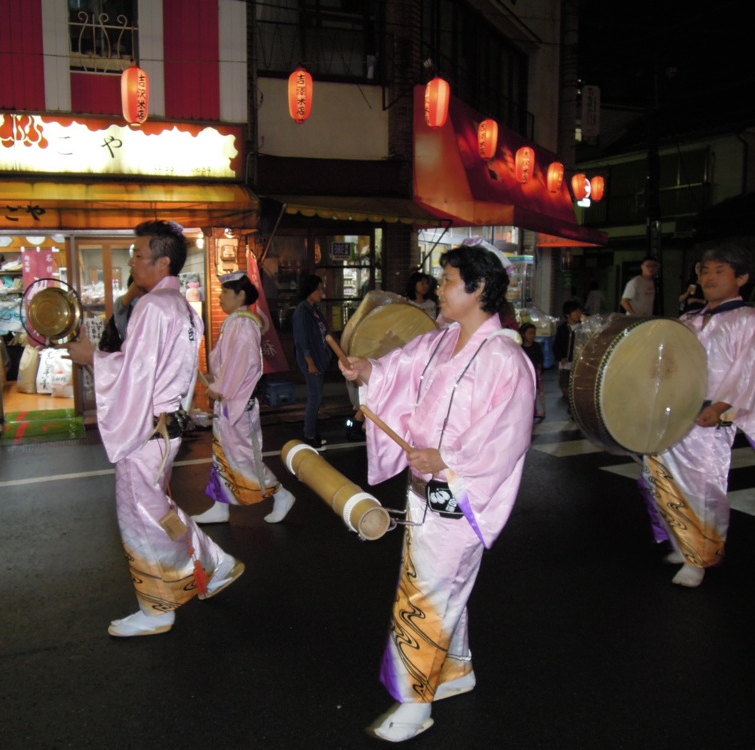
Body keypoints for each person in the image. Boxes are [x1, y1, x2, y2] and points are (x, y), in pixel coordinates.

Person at [338, 240, 535, 743]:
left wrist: (447, 459)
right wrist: (367, 371)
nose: (440, 289)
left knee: (428, 591)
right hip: (426, 487)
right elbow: (397, 371)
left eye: (449, 280)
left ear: (480, 288)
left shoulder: (505, 358)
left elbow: (507, 436)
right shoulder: (440, 340)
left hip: (461, 493)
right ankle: (456, 670)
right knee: (443, 587)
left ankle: (414, 700)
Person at [64, 221, 243, 637]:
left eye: (138, 255)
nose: (132, 261)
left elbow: (135, 372)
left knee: (139, 515)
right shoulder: (183, 308)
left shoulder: (152, 307)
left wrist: (92, 357)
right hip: (167, 428)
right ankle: (213, 563)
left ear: (163, 262)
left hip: (146, 431)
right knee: (159, 509)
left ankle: (158, 606)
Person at [639, 244, 755, 588]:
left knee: (701, 486)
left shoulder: (750, 322)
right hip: (675, 414)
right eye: (704, 271)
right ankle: (681, 544)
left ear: (741, 278)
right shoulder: (689, 320)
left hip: (708, 418)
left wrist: (719, 408)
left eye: (719, 271)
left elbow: (749, 371)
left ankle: (700, 556)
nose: (709, 278)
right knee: (660, 479)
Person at [191, 271, 296, 525]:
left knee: (244, 457)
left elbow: (243, 363)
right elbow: (229, 362)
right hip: (231, 403)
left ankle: (281, 494)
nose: (219, 298)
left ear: (240, 295)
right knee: (223, 455)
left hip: (238, 404)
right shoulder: (237, 322)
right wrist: (218, 381)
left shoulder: (242, 324)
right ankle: (220, 504)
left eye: (225, 293)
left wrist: (222, 387)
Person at [292, 273, 332, 446]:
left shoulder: (314, 309)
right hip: (312, 359)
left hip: (319, 357)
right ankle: (309, 435)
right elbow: (301, 341)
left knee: (317, 396)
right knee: (315, 396)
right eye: (318, 289)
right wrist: (310, 362)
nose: (321, 292)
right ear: (309, 291)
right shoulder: (302, 311)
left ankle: (312, 432)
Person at [552, 300, 583, 408]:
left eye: (579, 311)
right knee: (564, 385)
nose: (579, 314)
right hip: (565, 362)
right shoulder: (562, 329)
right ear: (567, 315)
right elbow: (557, 345)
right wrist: (560, 357)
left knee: (576, 383)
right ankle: (570, 401)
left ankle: (573, 405)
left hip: (579, 362)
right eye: (575, 312)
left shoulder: (583, 328)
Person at [519, 322, 546, 420]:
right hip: (523, 374)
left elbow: (540, 359)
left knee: (534, 393)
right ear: (523, 334)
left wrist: (539, 368)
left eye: (534, 333)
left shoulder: (537, 346)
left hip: (534, 373)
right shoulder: (519, 347)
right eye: (530, 333)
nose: (532, 335)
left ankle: (534, 411)